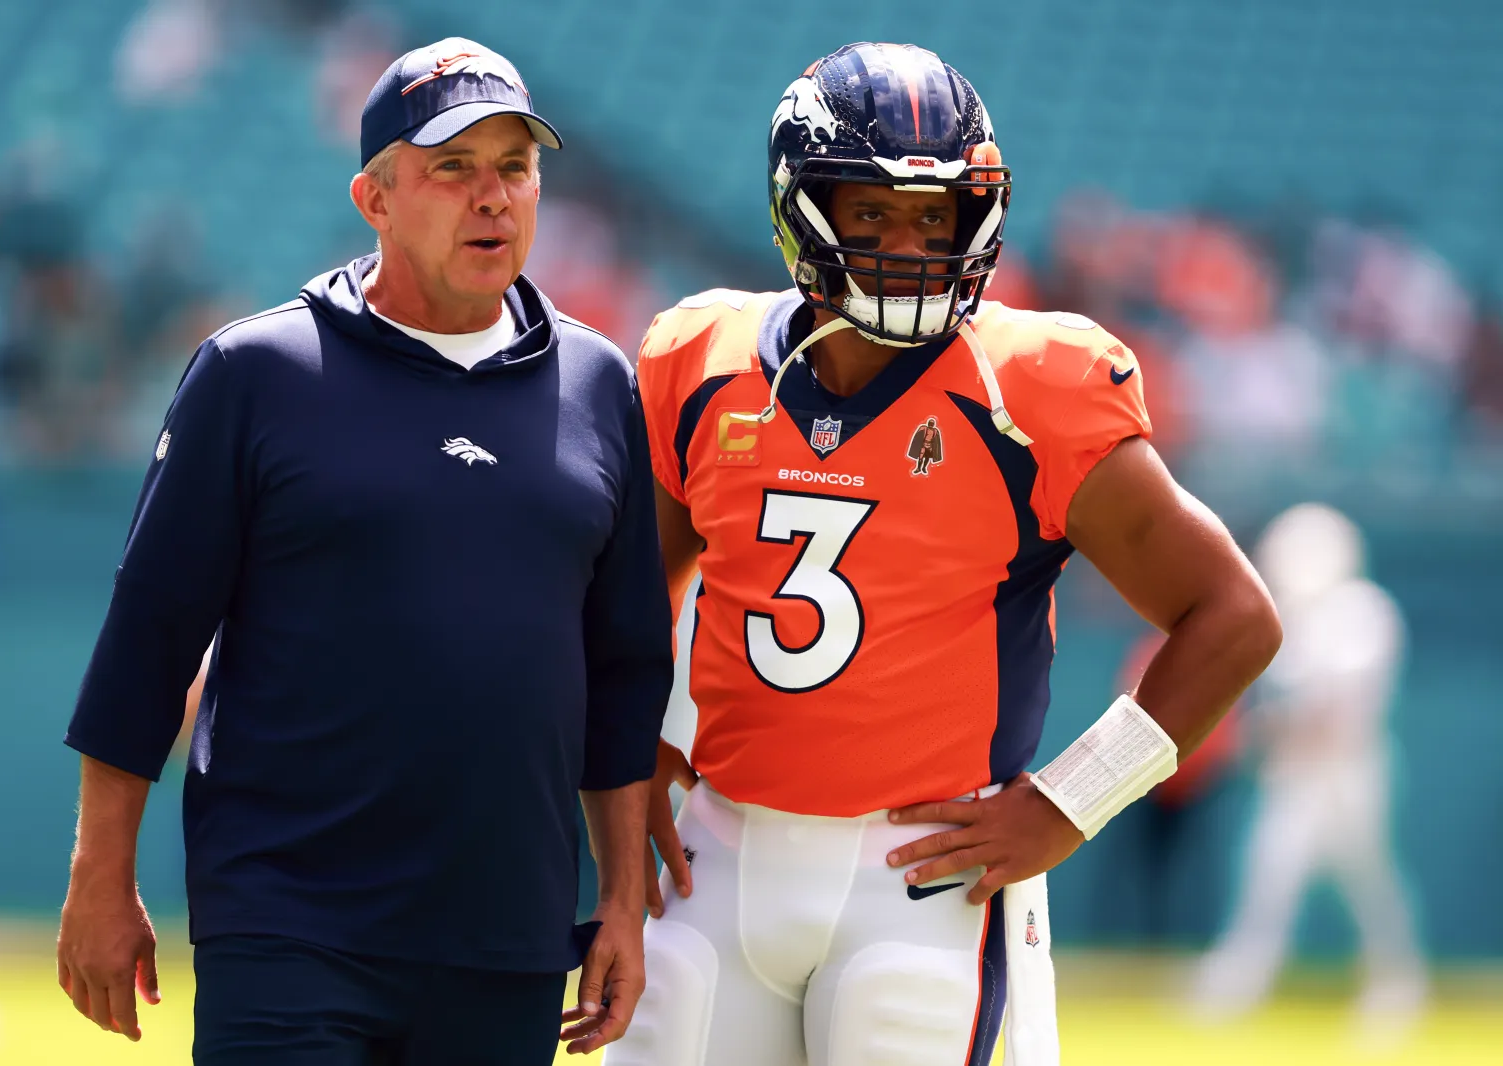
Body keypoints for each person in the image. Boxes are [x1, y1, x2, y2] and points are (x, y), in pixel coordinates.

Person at [597, 42, 1282, 1066]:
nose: (909, 244)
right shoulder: (701, 359)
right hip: (721, 851)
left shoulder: (1030, 390)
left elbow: (1235, 617)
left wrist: (1067, 800)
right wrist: (637, 747)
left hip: (921, 874)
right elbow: (635, 589)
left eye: (935, 216)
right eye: (871, 211)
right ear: (802, 205)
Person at [55, 38, 672, 1065]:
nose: (492, 198)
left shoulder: (599, 384)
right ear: (374, 197)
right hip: (290, 920)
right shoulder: (257, 372)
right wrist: (99, 870)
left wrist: (617, 900)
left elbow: (621, 668)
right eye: (452, 168)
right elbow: (150, 636)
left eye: (514, 168)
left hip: (504, 934)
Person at [1193, 503, 1427, 1040]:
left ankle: (1397, 986)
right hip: (1299, 776)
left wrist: (1285, 727)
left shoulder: (1365, 611)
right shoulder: (1292, 616)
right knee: (1269, 878)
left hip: (1349, 773)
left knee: (1369, 882)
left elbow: (1336, 701)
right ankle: (1238, 982)